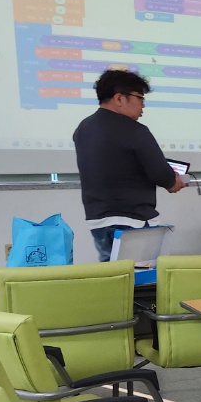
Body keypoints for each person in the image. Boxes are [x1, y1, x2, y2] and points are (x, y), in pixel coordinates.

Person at [72, 69, 186, 262]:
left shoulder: (83, 128)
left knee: (114, 275)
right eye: (140, 98)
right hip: (133, 221)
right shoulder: (136, 131)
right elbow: (161, 175)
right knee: (141, 277)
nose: (143, 106)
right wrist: (175, 181)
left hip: (98, 221)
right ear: (119, 98)